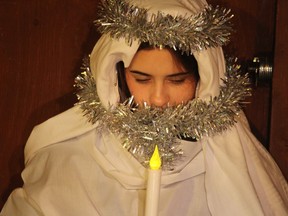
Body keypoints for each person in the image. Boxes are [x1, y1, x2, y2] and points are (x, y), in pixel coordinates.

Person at [1, 0, 287, 215]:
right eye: (141, 79)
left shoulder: (234, 164)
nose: (159, 99)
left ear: (204, 79)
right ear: (117, 75)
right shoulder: (69, 157)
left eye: (177, 80)